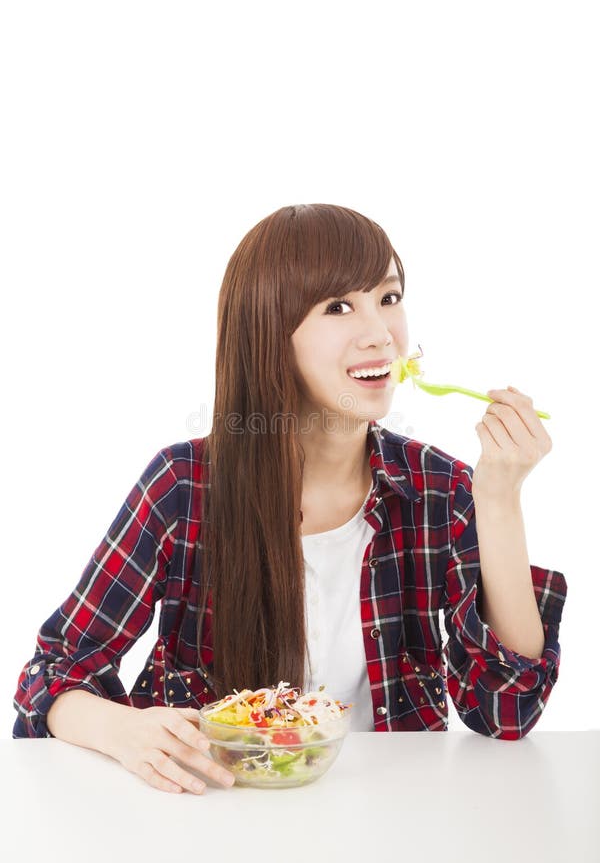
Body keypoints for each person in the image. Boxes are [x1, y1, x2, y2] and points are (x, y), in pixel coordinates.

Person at [13, 203, 568, 795]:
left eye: (388, 297)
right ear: (270, 331)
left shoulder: (440, 489)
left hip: (393, 820)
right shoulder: (184, 485)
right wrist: (122, 730)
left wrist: (501, 498)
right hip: (212, 820)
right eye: (337, 307)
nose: (381, 333)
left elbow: (507, 712)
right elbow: (52, 673)